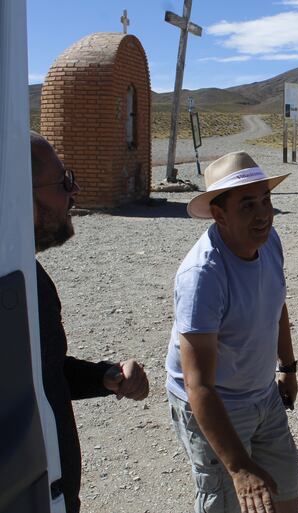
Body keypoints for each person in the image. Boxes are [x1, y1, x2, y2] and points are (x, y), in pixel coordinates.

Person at [165, 151, 298, 513]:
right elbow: (199, 386)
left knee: (285, 491)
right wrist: (238, 467)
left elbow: (276, 305)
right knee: (230, 499)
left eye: (265, 200)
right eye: (247, 205)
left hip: (262, 395)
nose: (262, 214)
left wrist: (287, 367)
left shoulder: (268, 241)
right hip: (215, 404)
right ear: (219, 213)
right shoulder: (202, 276)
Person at [30, 132, 150, 513]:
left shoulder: (28, 277)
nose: (75, 190)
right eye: (64, 181)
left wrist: (102, 376)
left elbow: (36, 375)